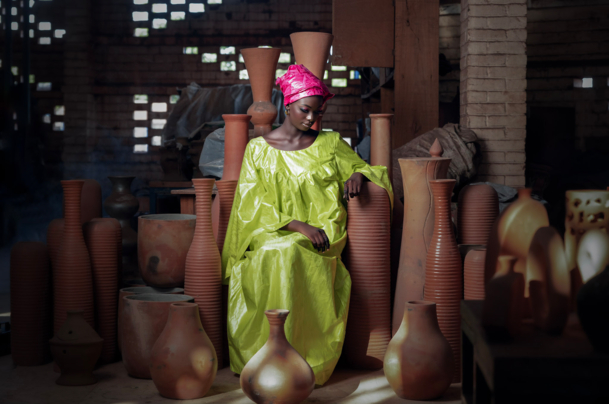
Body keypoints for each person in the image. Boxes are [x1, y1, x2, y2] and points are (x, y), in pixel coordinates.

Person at [222, 64, 393, 385]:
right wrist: (297, 225)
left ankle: (303, 357)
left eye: (317, 112)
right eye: (305, 110)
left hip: (322, 232)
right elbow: (251, 204)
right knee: (278, 251)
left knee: (291, 253)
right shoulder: (257, 150)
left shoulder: (329, 144)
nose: (311, 118)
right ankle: (267, 354)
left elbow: (368, 168)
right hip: (270, 230)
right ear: (287, 105)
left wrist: (358, 173)